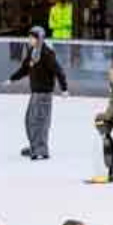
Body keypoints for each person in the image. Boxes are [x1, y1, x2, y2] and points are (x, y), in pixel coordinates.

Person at [9, 27, 68, 163]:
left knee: (40, 122)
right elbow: (25, 68)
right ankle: (34, 145)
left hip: (44, 93)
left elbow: (59, 71)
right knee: (29, 120)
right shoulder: (33, 51)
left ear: (40, 38)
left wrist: (64, 88)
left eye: (33, 37)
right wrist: (12, 79)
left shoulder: (47, 53)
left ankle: (41, 150)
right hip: (35, 92)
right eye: (29, 37)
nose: (30, 40)